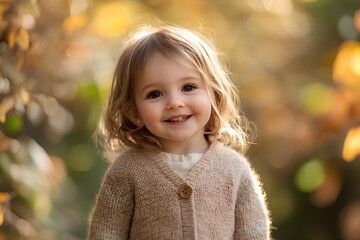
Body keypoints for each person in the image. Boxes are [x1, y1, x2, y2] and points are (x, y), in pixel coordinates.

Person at [88, 25, 271, 240]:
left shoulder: (235, 169)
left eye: (188, 87)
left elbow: (253, 233)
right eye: (155, 94)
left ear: (214, 92)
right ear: (133, 110)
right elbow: (106, 232)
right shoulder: (128, 171)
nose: (175, 103)